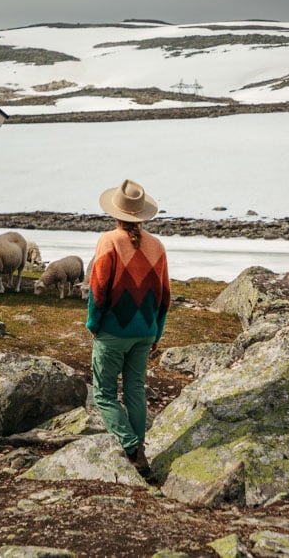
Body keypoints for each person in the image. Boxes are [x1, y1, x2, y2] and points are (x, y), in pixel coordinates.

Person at [85, 179, 171, 476]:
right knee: (135, 389)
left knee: (104, 394)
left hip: (113, 330)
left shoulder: (108, 242)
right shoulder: (157, 246)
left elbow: (98, 289)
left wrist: (93, 324)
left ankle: (131, 446)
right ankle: (140, 455)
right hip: (145, 330)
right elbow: (164, 296)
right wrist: (157, 332)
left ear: (116, 213)